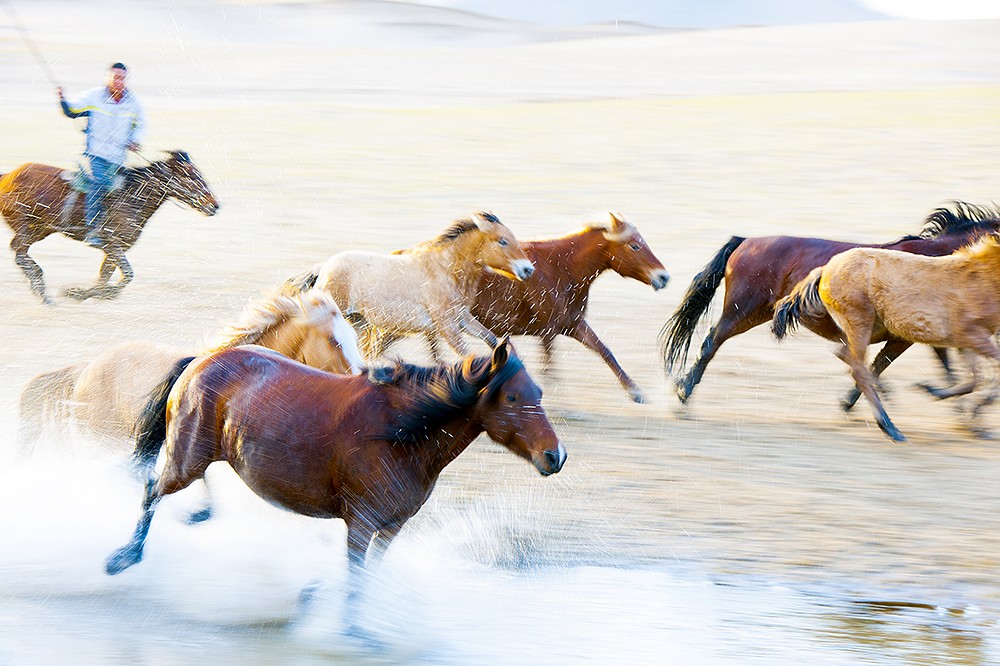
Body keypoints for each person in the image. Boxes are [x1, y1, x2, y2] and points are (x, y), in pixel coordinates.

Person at [57, 62, 145, 247]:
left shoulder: (133, 103)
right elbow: (72, 111)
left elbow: (140, 125)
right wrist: (63, 101)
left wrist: (135, 140)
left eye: (122, 78)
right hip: (94, 154)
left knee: (127, 190)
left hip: (118, 158)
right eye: (115, 77)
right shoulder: (94, 96)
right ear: (108, 78)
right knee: (101, 184)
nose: (118, 81)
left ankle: (116, 227)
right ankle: (93, 229)